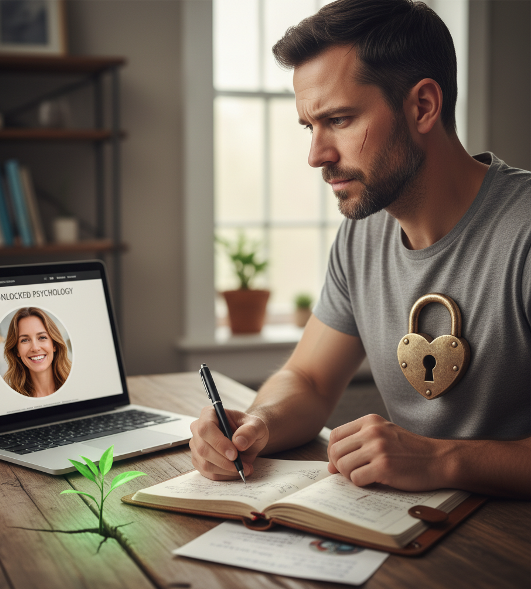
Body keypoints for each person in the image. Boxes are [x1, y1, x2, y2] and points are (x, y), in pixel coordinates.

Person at [190, 0, 531, 498]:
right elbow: (308, 379)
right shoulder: (363, 231)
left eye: (340, 120)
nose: (316, 155)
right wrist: (256, 424)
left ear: (423, 107)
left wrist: (441, 458)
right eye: (311, 126)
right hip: (412, 538)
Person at [3, 307, 71, 398]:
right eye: (25, 340)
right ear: (17, 351)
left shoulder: (77, 387)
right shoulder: (9, 399)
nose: (35, 348)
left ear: (54, 345)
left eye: (42, 337)